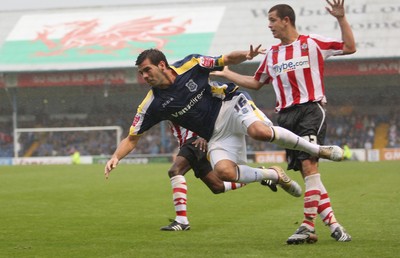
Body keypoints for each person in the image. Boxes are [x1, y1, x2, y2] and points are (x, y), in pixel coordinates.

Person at [104, 46, 344, 223]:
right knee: (223, 174)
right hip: (215, 134)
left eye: (147, 70)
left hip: (230, 104)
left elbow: (225, 59)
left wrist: (246, 56)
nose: (144, 77)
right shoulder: (152, 104)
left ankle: (318, 150)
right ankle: (273, 174)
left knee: (258, 131)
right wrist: (116, 156)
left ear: (162, 65)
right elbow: (132, 137)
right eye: (141, 73)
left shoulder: (192, 64)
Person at [212, 1, 355, 244]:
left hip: (310, 109)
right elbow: (257, 82)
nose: (269, 26)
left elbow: (350, 47)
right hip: (286, 117)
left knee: (310, 167)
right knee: (307, 173)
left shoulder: (313, 43)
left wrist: (341, 18)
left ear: (286, 20)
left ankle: (308, 226)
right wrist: (227, 74)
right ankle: (333, 223)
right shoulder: (273, 54)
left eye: (272, 20)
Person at [161, 122, 276, 231]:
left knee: (175, 171)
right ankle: (261, 174)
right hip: (190, 144)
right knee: (218, 187)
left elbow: (204, 111)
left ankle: (182, 221)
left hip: (195, 141)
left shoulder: (177, 101)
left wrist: (204, 135)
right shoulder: (165, 103)